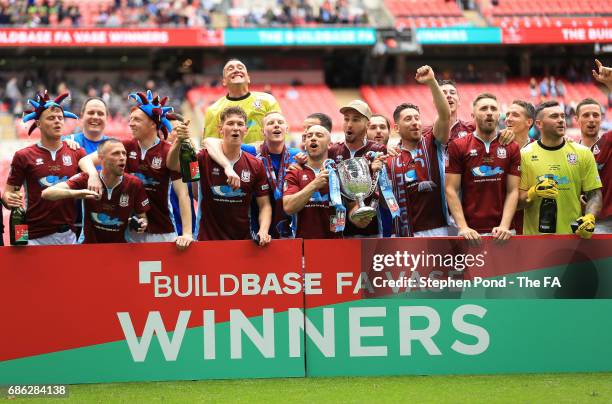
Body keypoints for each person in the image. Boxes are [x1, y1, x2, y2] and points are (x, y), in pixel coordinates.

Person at [80, 90, 193, 250]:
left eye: (137, 120)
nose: (131, 123)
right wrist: (92, 175)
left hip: (162, 231)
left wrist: (187, 233)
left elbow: (183, 194)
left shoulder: (168, 151)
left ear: (153, 123)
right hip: (129, 233)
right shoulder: (125, 146)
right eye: (131, 119)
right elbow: (85, 160)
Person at [169, 106, 272, 244]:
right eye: (230, 123)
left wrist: (263, 230)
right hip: (206, 240)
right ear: (220, 129)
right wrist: (178, 142)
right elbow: (173, 166)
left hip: (242, 242)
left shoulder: (256, 164)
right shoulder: (203, 158)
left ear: (245, 130)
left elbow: (264, 205)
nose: (235, 128)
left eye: (240, 124)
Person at [2, 91, 85, 245]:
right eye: (51, 118)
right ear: (39, 123)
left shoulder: (77, 152)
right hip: (33, 237)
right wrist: (9, 199)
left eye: (60, 118)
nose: (57, 121)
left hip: (68, 235)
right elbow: (8, 194)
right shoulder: (23, 155)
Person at [202, 111, 302, 238]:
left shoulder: (297, 155)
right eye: (271, 123)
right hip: (257, 223)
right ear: (262, 131)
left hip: (289, 223)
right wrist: (227, 167)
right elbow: (210, 142)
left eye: (280, 122)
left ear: (287, 129)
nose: (276, 125)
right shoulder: (252, 151)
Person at [519, 101, 602, 237]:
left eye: (562, 116)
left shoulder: (583, 153)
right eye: (554, 116)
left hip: (572, 238)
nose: (561, 120)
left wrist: (590, 217)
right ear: (539, 124)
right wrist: (533, 193)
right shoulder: (525, 155)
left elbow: (594, 194)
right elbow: (516, 204)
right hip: (535, 239)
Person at [41, 139, 150, 243]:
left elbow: (142, 217)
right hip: (88, 246)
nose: (122, 158)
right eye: (116, 153)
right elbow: (47, 193)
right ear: (100, 158)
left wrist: (142, 223)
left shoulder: (134, 183)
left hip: (120, 248)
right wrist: (79, 193)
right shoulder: (86, 178)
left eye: (124, 153)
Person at [386, 65, 451, 237]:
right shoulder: (390, 158)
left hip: (438, 230)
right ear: (397, 128)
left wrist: (431, 82)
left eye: (417, 118)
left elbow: (445, 115)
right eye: (408, 119)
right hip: (402, 233)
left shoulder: (432, 142)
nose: (415, 122)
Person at [446, 93, 521, 242]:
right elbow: (451, 189)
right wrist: (463, 227)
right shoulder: (458, 146)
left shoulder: (512, 147)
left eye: (493, 109)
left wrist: (504, 226)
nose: (489, 112)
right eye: (484, 108)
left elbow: (513, 190)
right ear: (473, 115)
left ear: (499, 114)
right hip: (470, 231)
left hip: (503, 231)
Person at [331, 99, 386, 238]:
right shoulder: (333, 151)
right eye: (346, 119)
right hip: (340, 230)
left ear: (367, 124)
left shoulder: (377, 150)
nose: (349, 124)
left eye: (355, 120)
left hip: (371, 228)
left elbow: (383, 190)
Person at [283, 125, 342, 239]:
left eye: (319, 135)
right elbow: (288, 207)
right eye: (309, 136)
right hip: (304, 246)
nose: (313, 138)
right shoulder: (294, 172)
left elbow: (351, 207)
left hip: (336, 245)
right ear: (305, 144)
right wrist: (314, 185)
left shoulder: (339, 172)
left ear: (330, 144)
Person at [203, 59, 281, 144]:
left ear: (248, 78)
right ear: (224, 81)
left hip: (263, 156)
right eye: (230, 69)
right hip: (229, 157)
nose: (236, 70)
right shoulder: (213, 110)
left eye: (240, 68)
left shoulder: (268, 100)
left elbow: (279, 133)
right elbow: (210, 144)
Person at [575, 97, 611, 233]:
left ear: (601, 118)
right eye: (585, 115)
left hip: (607, 221)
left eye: (596, 115)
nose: (591, 119)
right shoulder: (568, 150)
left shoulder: (608, 144)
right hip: (578, 220)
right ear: (576, 119)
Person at [504, 99, 535, 234]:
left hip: (532, 221)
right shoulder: (495, 148)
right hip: (503, 225)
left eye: (515, 115)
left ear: (529, 122)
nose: (508, 119)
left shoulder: (539, 149)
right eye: (507, 115)